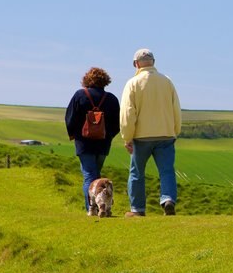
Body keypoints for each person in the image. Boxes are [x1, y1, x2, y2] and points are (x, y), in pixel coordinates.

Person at [120, 48, 182, 216]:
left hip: (142, 136)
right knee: (167, 170)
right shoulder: (167, 81)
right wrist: (175, 131)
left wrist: (127, 137)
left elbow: (127, 113)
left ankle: (137, 209)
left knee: (137, 173)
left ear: (136, 64)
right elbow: (176, 108)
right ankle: (168, 199)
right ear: (153, 62)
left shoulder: (132, 83)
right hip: (166, 134)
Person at [65, 67, 121, 214]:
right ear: (105, 81)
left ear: (86, 80)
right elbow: (117, 124)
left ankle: (92, 209)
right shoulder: (112, 99)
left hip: (83, 143)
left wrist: (74, 134)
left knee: (89, 176)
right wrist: (108, 136)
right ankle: (101, 206)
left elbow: (70, 118)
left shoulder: (79, 95)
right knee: (96, 174)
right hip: (103, 144)